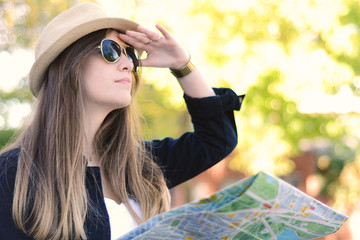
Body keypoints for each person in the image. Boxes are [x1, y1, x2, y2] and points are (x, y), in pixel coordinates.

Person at [0, 2, 244, 240]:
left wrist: (181, 65)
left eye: (130, 55)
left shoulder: (140, 164)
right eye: (111, 51)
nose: (128, 64)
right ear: (70, 66)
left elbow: (217, 139)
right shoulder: (14, 175)